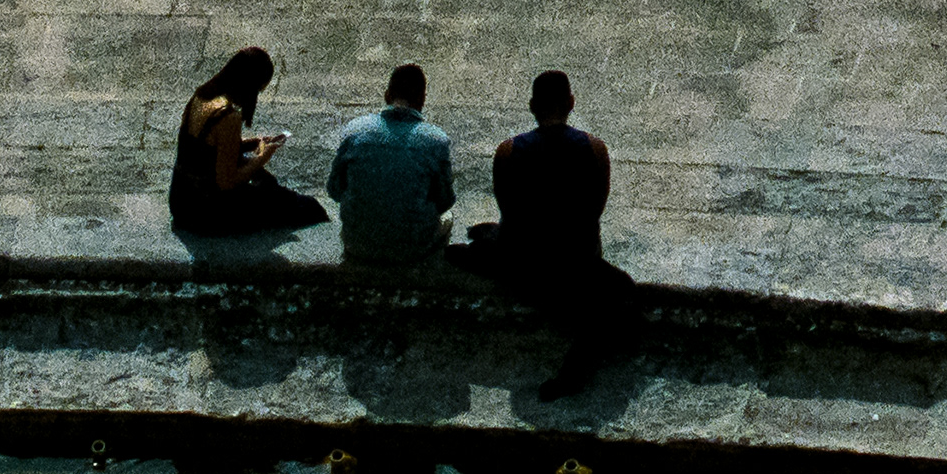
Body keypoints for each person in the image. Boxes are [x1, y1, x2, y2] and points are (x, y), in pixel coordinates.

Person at [478, 69, 631, 337]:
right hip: (577, 263)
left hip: (525, 266)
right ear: (571, 103)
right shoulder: (595, 149)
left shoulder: (508, 151)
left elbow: (508, 211)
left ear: (532, 106)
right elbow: (595, 210)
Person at [167, 46, 326, 244]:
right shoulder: (227, 116)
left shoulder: (201, 96)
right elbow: (226, 182)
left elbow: (206, 147)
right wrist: (262, 158)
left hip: (182, 202)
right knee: (307, 207)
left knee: (267, 184)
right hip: (205, 213)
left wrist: (251, 144)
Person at [324, 63, 455, 277]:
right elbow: (445, 201)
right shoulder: (436, 140)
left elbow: (334, 190)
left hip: (358, 246)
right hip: (411, 251)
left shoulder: (355, 131)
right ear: (422, 98)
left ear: (387, 95)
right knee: (448, 218)